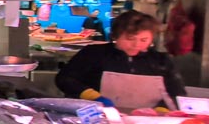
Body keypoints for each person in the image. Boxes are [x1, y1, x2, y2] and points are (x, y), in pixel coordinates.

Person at [56, 10, 186, 110]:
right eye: (130, 39)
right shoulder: (94, 54)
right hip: (98, 118)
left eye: (144, 40)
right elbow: (65, 79)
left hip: (149, 123)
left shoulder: (162, 61)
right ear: (116, 36)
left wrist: (160, 111)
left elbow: (177, 94)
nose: (136, 45)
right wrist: (93, 96)